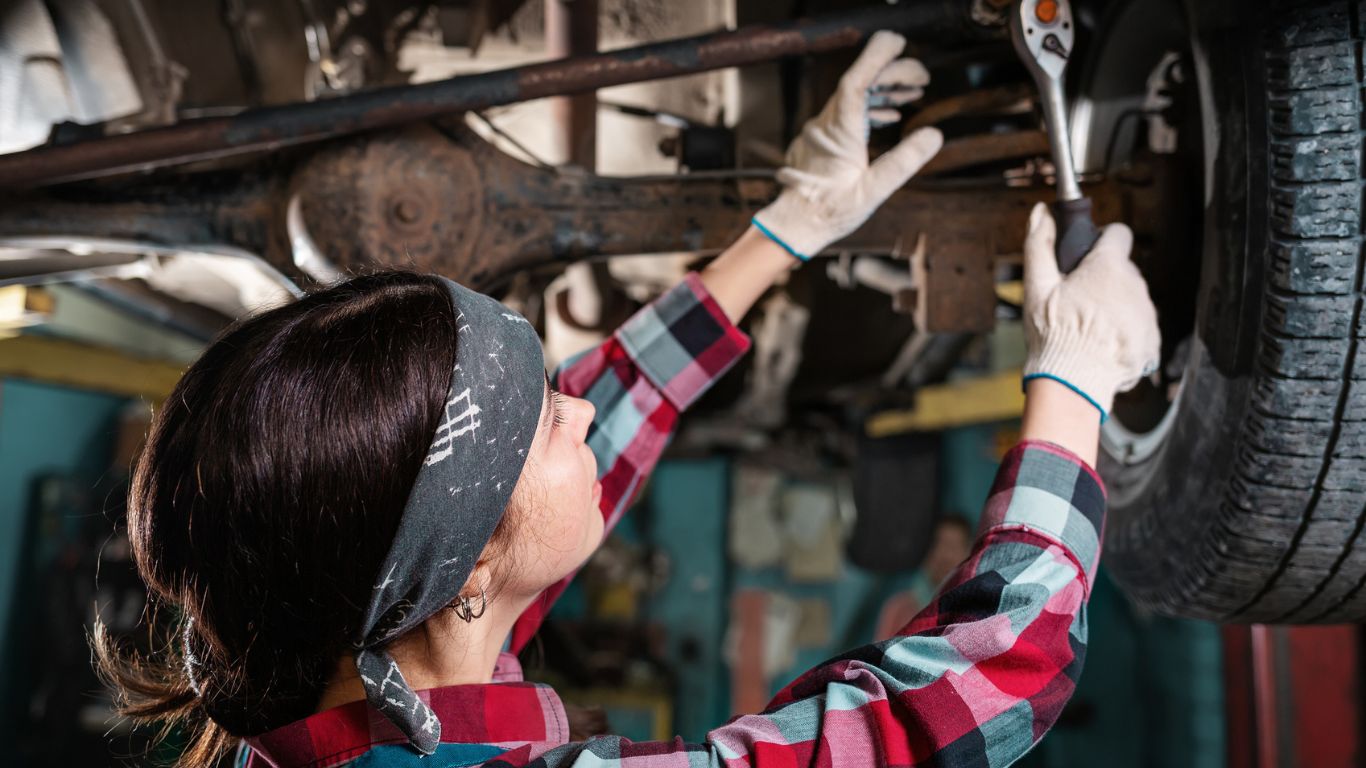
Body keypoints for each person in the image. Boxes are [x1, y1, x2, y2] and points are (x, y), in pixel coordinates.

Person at [94, 31, 1160, 768]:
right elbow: (955, 709)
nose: (581, 413)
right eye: (541, 425)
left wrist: (783, 228)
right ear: (462, 575)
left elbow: (539, 456)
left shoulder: (363, 645)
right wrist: (1069, 387)